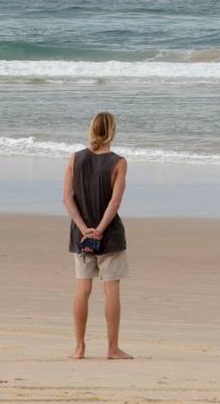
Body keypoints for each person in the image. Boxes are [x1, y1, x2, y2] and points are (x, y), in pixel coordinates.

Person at [62, 111, 132, 360]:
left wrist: (84, 229)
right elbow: (115, 203)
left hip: (81, 237)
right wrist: (100, 230)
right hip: (110, 235)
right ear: (112, 131)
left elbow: (67, 198)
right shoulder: (118, 162)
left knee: (83, 288)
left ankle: (79, 347)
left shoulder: (75, 159)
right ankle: (112, 348)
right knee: (111, 289)